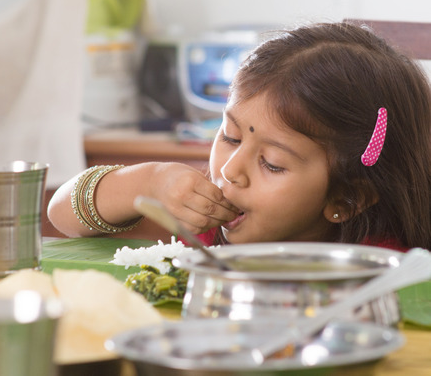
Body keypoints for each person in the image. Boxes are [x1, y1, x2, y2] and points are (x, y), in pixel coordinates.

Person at [47, 21, 431, 251]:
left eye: (272, 164)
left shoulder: (382, 273)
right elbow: (61, 213)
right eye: (230, 136)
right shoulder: (213, 225)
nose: (231, 170)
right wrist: (149, 181)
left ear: (346, 199)